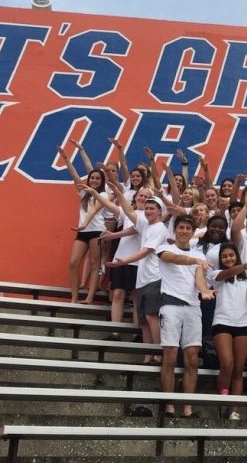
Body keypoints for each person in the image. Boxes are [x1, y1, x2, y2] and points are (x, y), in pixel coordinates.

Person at [156, 215, 215, 418]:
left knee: (191, 359)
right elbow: (171, 259)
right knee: (170, 357)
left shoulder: (199, 255)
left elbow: (198, 278)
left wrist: (204, 290)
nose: (183, 231)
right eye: (180, 227)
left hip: (193, 308)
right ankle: (169, 405)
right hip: (171, 306)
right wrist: (193, 260)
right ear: (176, 230)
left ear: (192, 231)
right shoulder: (165, 248)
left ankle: (187, 407)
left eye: (187, 228)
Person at [105, 190, 169, 364]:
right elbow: (129, 212)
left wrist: (123, 262)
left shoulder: (160, 229)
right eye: (147, 208)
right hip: (142, 279)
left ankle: (157, 354)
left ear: (159, 211)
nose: (148, 211)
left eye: (152, 208)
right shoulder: (146, 225)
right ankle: (148, 357)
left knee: (151, 317)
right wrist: (119, 191)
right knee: (143, 321)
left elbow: (146, 251)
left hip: (154, 278)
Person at [209, 242, 247, 420]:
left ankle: (235, 410)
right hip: (222, 322)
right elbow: (225, 274)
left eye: (231, 255)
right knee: (227, 364)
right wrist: (246, 265)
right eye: (224, 256)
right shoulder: (216, 273)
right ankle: (223, 398)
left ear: (237, 256)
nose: (228, 259)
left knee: (239, 368)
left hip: (243, 324)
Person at [58, 146, 109, 304]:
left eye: (97, 179)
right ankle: (74, 297)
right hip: (82, 232)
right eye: (92, 178)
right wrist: (66, 159)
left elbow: (93, 210)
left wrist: (84, 224)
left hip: (96, 232)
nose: (94, 180)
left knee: (94, 265)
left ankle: (89, 297)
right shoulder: (83, 193)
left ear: (101, 181)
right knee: (73, 263)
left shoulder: (103, 194)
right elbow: (74, 176)